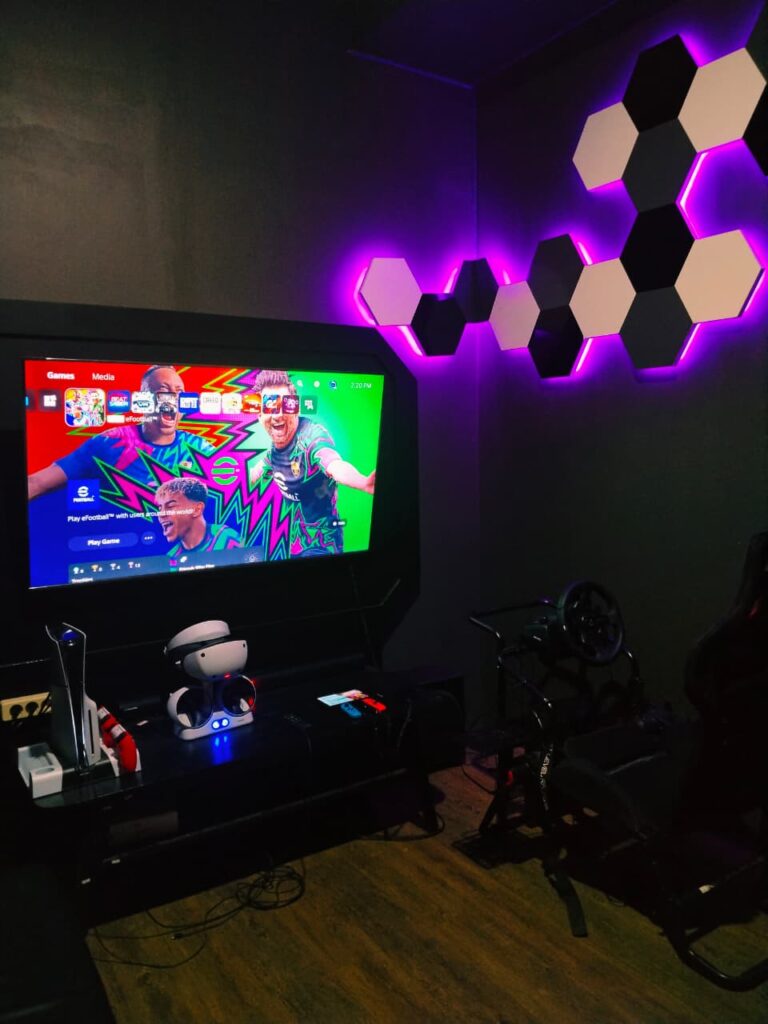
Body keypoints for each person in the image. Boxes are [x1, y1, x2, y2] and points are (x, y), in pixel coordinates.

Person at [28, 365, 216, 500]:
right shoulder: (110, 442)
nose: (173, 399)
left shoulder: (201, 448)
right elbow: (37, 483)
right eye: (163, 391)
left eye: (179, 393)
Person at [247, 369, 375, 555]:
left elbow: (334, 464)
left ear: (296, 409)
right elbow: (254, 474)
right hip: (291, 541)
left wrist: (363, 482)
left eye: (285, 405)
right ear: (259, 416)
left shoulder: (311, 437)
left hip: (322, 542)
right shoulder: (274, 452)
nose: (277, 415)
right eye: (269, 406)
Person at [154, 478, 241, 556]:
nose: (161, 514)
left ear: (197, 509)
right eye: (160, 508)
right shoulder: (172, 556)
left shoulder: (227, 538)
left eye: (171, 506)